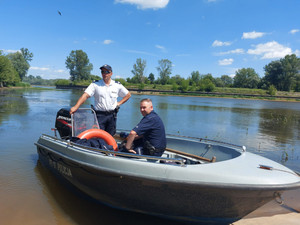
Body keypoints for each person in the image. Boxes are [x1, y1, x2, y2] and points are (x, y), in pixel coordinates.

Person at [70, 64, 131, 136]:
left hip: (112, 116)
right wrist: (76, 107)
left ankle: (109, 147)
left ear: (111, 73)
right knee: (99, 136)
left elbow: (128, 95)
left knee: (110, 136)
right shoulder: (95, 85)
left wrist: (118, 103)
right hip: (99, 116)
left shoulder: (117, 85)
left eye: (107, 72)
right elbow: (85, 95)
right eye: (102, 72)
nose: (105, 74)